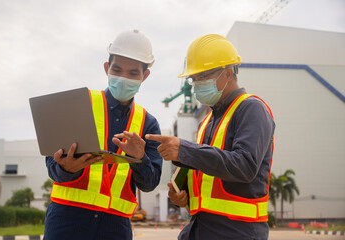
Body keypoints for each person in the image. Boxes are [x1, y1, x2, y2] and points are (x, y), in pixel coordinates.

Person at [146, 34, 275, 240]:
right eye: (193, 78)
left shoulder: (251, 108)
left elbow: (245, 166)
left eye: (203, 76)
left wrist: (185, 150)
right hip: (201, 226)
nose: (196, 83)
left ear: (228, 73)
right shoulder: (207, 120)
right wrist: (184, 196)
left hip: (237, 231)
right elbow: (208, 174)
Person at [44, 29, 162, 240]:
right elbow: (52, 167)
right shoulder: (79, 104)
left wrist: (140, 160)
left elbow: (150, 183)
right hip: (67, 221)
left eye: (133, 73)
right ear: (107, 68)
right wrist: (65, 168)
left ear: (145, 76)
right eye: (117, 70)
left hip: (115, 227)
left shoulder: (148, 124)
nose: (123, 78)